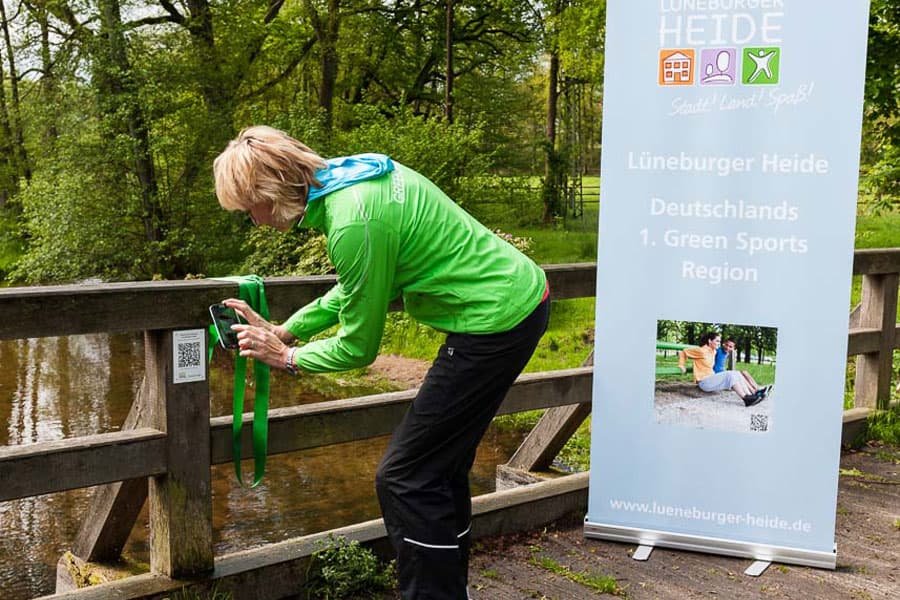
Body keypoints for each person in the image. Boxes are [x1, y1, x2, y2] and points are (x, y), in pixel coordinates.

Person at [212, 125, 549, 600]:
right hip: (515, 304)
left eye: (250, 208)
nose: (254, 221)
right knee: (441, 467)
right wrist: (287, 329)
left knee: (404, 476)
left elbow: (358, 347)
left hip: (495, 323)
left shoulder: (354, 221)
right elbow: (354, 289)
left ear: (271, 190)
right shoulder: (352, 179)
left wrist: (286, 357)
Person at [678, 332, 768, 407]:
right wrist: (681, 365)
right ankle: (746, 399)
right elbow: (683, 352)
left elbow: (722, 353)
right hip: (703, 382)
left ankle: (751, 396)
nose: (719, 343)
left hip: (711, 378)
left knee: (736, 373)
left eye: (719, 341)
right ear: (709, 341)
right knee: (729, 374)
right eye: (717, 341)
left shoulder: (713, 351)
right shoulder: (701, 351)